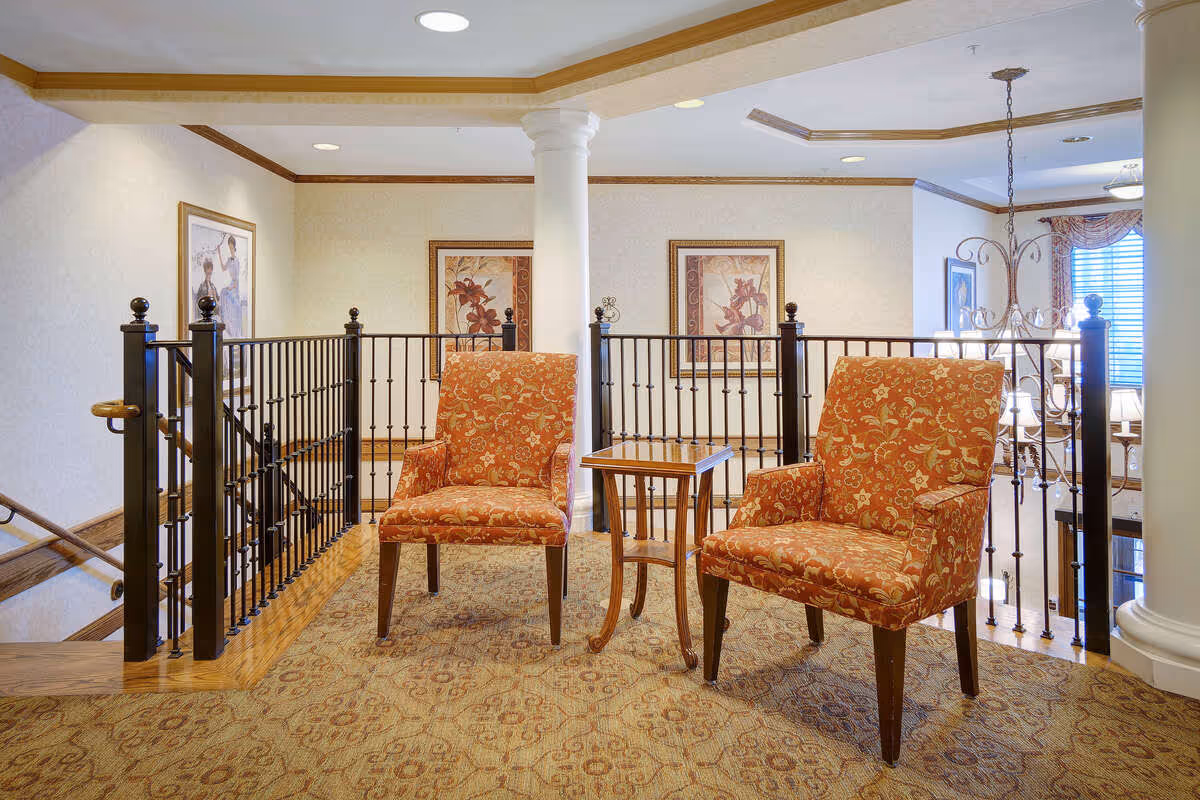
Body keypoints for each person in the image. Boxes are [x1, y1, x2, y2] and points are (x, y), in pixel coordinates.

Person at [218, 235, 243, 338]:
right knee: (223, 292)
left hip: (235, 287)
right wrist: (219, 254)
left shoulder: (237, 261)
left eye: (231, 247)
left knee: (226, 294)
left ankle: (233, 331)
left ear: (234, 247)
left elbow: (236, 280)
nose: (230, 249)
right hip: (230, 285)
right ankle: (226, 324)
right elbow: (223, 268)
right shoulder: (229, 260)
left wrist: (231, 288)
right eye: (229, 247)